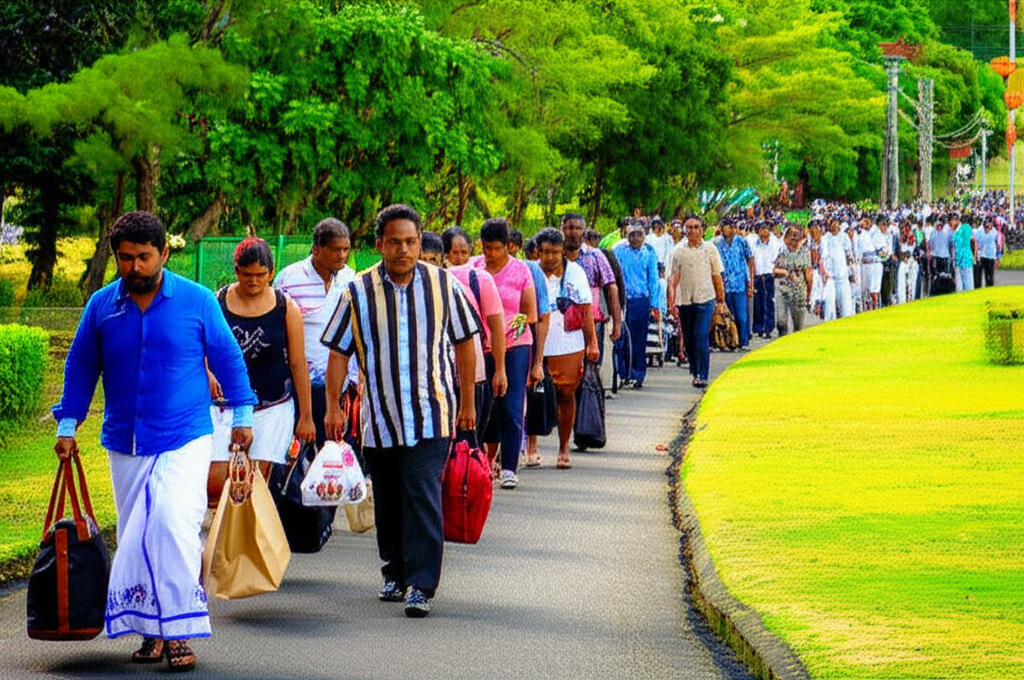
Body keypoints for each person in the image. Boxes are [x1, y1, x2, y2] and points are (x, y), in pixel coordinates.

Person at [53, 211, 257, 671]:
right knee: (137, 534)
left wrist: (242, 415)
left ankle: (179, 630)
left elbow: (228, 358)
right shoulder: (102, 306)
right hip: (125, 439)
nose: (135, 267)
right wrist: (67, 425)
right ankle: (152, 629)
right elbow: (81, 365)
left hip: (185, 435)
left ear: (164, 253)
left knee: (172, 523)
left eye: (144, 257)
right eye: (125, 258)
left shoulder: (197, 300)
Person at [322, 203, 480, 618]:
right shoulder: (358, 291)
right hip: (380, 417)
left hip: (433, 412)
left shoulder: (444, 285)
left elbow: (466, 342)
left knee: (422, 493)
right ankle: (394, 571)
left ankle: (421, 585)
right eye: (395, 242)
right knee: (390, 499)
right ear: (380, 244)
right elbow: (339, 352)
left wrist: (467, 401)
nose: (404, 250)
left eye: (411, 242)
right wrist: (333, 407)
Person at [208, 238, 316, 492]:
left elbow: (298, 363)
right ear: (236, 271)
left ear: (271, 272)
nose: (254, 281)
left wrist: (306, 416)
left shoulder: (286, 308)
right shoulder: (216, 303)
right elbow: (201, 349)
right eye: (247, 275)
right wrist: (208, 374)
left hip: (272, 406)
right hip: (224, 407)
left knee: (258, 484)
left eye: (260, 275)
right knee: (217, 481)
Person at [274, 218, 356, 447]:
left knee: (334, 453)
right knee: (296, 452)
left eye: (346, 249)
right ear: (316, 250)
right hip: (299, 385)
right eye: (336, 250)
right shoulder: (289, 279)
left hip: (338, 387)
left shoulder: (350, 280)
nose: (342, 256)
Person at [471, 217, 541, 488]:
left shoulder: (521, 270)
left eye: (497, 248)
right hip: (482, 345)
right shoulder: (474, 269)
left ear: (508, 246)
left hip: (515, 344)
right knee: (484, 405)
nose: (491, 253)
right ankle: (481, 463)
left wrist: (511, 329)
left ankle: (510, 467)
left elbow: (529, 313)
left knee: (512, 406)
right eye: (486, 248)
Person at [535, 228, 598, 469]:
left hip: (568, 343)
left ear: (562, 251)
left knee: (566, 394)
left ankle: (563, 449)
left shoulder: (575, 273)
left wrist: (592, 342)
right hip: (538, 344)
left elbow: (586, 309)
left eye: (555, 252)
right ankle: (531, 447)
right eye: (545, 252)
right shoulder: (531, 272)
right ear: (538, 252)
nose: (550, 257)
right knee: (532, 396)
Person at [441, 225, 508, 444]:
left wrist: (499, 369)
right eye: (454, 252)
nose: (459, 257)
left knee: (464, 445)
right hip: (443, 379)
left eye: (464, 252)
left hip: (473, 371)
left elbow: (496, 328)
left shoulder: (479, 280)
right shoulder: (427, 282)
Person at [667, 216, 727, 389]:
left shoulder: (710, 249)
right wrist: (671, 301)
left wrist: (721, 300)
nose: (693, 231)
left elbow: (716, 275)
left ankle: (702, 374)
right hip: (685, 300)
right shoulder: (678, 252)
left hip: (705, 299)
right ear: (684, 230)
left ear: (702, 230)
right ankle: (695, 370)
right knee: (689, 339)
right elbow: (673, 278)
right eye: (689, 227)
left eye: (696, 227)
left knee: (701, 336)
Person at [562, 213, 621, 366]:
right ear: (562, 229)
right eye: (569, 228)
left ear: (583, 230)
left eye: (577, 228)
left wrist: (617, 323)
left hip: (591, 319)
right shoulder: (556, 256)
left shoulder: (595, 255)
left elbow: (612, 287)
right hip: (561, 320)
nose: (573, 232)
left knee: (591, 362)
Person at [612, 222, 659, 388]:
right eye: (632, 234)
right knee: (622, 337)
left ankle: (638, 373)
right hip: (623, 300)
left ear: (644, 236)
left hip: (641, 300)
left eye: (639, 234)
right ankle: (623, 373)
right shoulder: (619, 251)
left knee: (639, 339)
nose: (636, 238)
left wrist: (655, 304)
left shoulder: (649, 252)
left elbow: (653, 279)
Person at [713, 221, 754, 349]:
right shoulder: (716, 243)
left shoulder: (741, 242)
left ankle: (743, 340)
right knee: (726, 317)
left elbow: (750, 259)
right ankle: (729, 341)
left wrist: (750, 281)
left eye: (727, 229)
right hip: (724, 285)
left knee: (742, 315)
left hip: (739, 284)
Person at [773, 226, 813, 336]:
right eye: (791, 237)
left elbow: (808, 274)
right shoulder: (780, 249)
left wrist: (808, 294)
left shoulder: (804, 252)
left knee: (798, 326)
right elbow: (773, 268)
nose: (794, 241)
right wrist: (785, 272)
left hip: (798, 291)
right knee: (781, 321)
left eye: (797, 238)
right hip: (782, 288)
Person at [749, 222, 781, 338]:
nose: (764, 232)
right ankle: (759, 327)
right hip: (758, 275)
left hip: (769, 275)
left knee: (769, 301)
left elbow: (777, 257)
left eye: (766, 230)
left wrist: (773, 270)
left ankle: (768, 328)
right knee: (758, 302)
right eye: (762, 230)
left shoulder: (774, 243)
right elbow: (752, 259)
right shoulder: (754, 243)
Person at [952, 218, 976, 292]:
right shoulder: (967, 229)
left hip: (959, 259)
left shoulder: (957, 233)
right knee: (968, 282)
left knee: (960, 283)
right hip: (966, 258)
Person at [976, 221, 999, 288]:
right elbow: (979, 242)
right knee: (979, 274)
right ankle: (978, 287)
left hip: (990, 256)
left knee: (990, 274)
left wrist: (997, 258)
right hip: (982, 256)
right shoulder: (980, 231)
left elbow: (996, 242)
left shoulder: (993, 232)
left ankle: (989, 287)